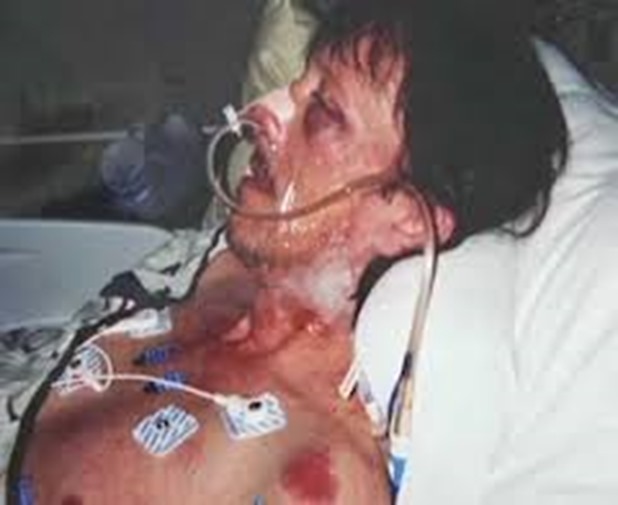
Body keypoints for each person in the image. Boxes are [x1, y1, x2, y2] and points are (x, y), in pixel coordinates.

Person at [9, 0, 568, 503]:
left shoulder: (312, 472)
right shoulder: (219, 257)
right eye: (298, 87)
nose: (262, 113)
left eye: (323, 111)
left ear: (405, 217)